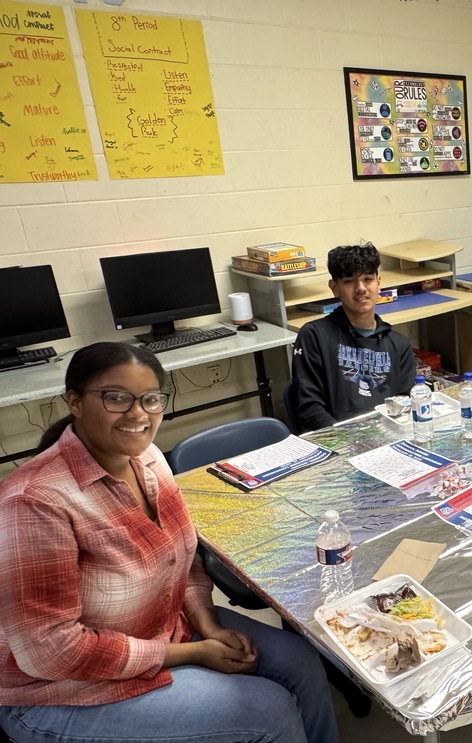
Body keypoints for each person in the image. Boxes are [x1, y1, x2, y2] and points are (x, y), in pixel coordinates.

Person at [0, 342, 339, 743]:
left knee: (301, 661)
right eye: (116, 398)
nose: (138, 414)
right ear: (74, 401)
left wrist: (206, 624)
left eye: (150, 399)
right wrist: (192, 653)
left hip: (161, 631)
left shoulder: (149, 461)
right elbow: (50, 651)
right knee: (269, 710)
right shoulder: (34, 502)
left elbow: (184, 560)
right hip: (64, 691)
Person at [291, 242, 416, 432]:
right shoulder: (314, 336)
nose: (361, 288)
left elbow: (405, 405)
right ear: (334, 287)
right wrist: (347, 442)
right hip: (337, 441)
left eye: (368, 279)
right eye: (349, 281)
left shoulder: (399, 344)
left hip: (388, 439)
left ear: (378, 282)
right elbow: (309, 410)